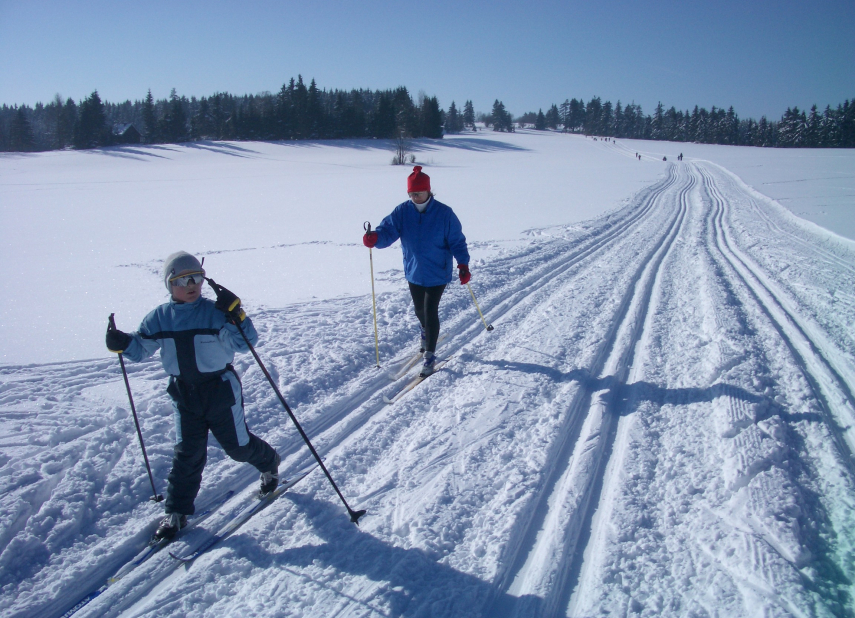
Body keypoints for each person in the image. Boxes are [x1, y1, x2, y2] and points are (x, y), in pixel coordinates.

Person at [105, 251, 280, 540]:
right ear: (169, 284)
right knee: (187, 454)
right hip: (183, 393)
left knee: (237, 448)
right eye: (183, 279)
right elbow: (140, 349)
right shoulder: (159, 318)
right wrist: (121, 343)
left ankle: (270, 463)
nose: (192, 284)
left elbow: (245, 343)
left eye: (197, 277)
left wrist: (237, 314)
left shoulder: (214, 312)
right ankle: (176, 512)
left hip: (220, 389)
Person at [363, 166, 470, 378]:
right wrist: (375, 238)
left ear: (429, 191)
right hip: (414, 271)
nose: (415, 196)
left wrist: (463, 264)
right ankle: (425, 332)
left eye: (418, 193)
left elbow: (457, 241)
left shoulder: (444, 214)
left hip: (438, 272)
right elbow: (388, 231)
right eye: (411, 193)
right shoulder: (403, 212)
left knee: (430, 311)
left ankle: (429, 354)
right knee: (419, 311)